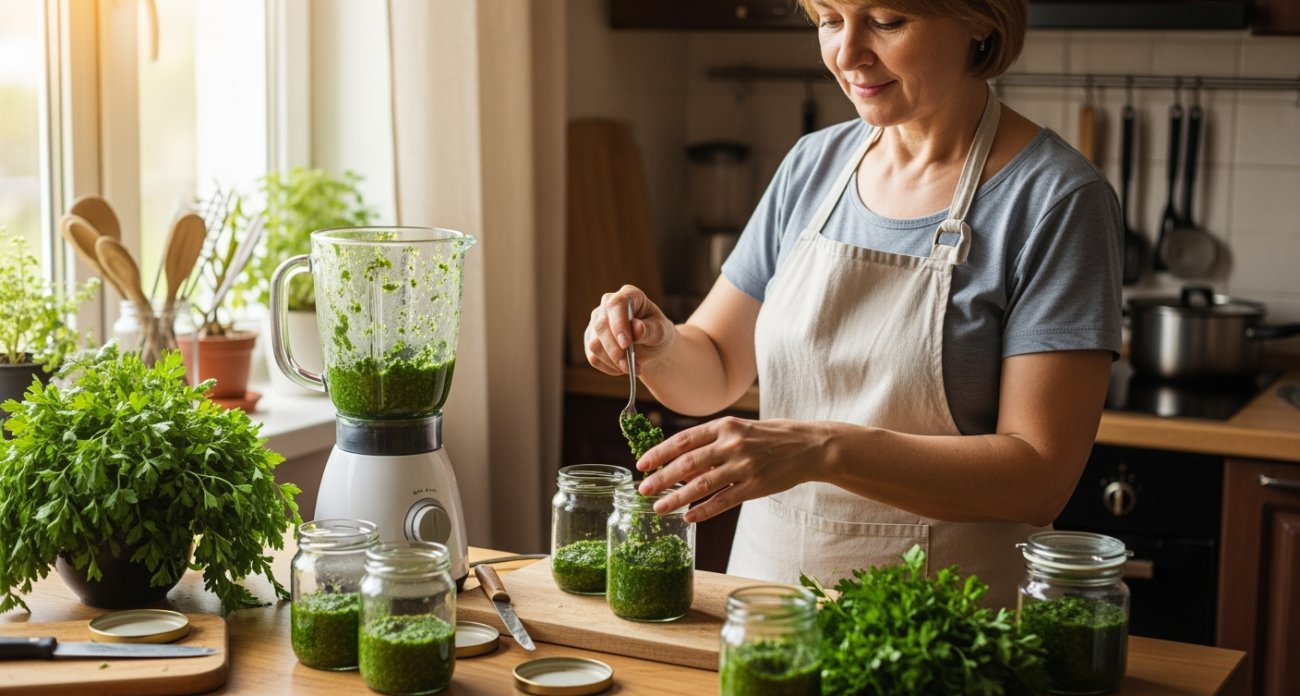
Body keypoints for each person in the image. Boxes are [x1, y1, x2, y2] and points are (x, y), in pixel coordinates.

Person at [583, 0, 1121, 607]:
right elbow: (714, 367)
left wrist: (822, 449)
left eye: (887, 22)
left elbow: (1038, 478)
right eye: (829, 20)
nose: (847, 53)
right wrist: (658, 347)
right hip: (769, 604)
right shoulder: (812, 167)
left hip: (942, 622)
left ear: (979, 20)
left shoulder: (1057, 198)